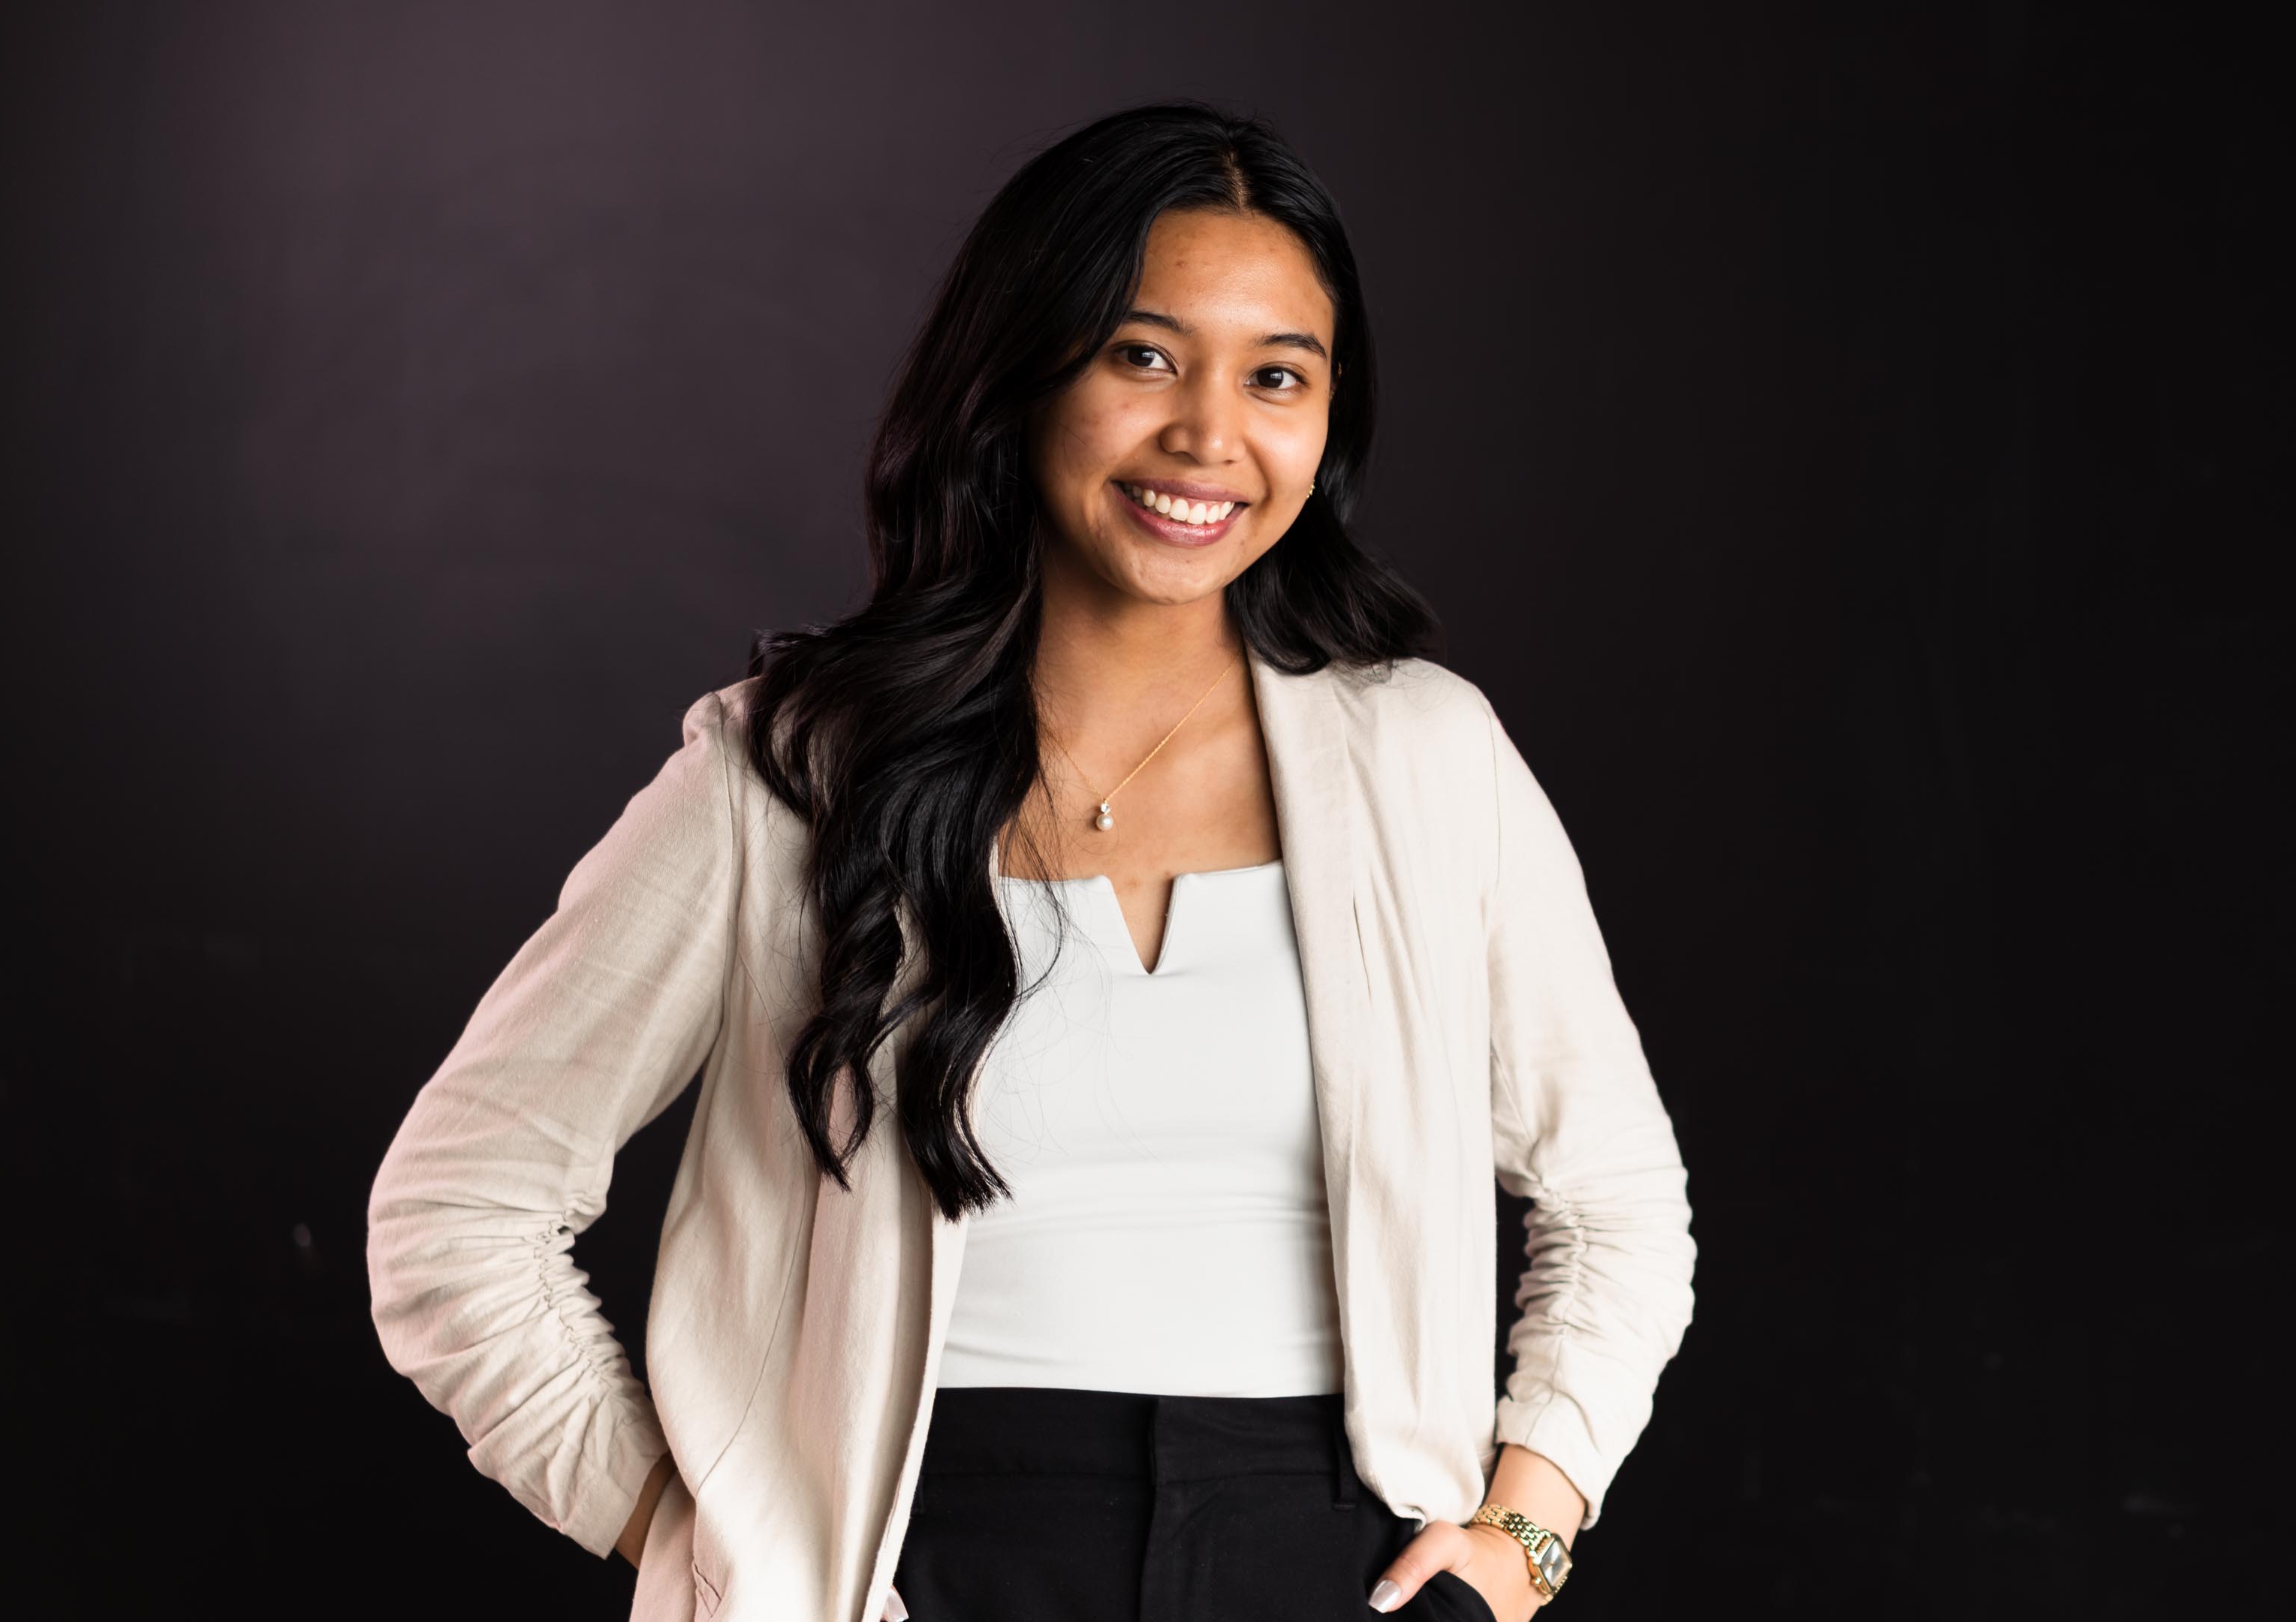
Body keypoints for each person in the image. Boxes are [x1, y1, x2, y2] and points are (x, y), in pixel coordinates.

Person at [366, 101, 1695, 1622]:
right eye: (1143, 356)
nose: (1208, 434)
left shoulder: (1428, 760)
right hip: (925, 1563)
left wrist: (1524, 1539)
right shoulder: (791, 778)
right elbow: (454, 1208)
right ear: (1021, 372)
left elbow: (1617, 1201)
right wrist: (706, 1543)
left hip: (1341, 1565)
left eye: (1277, 376)